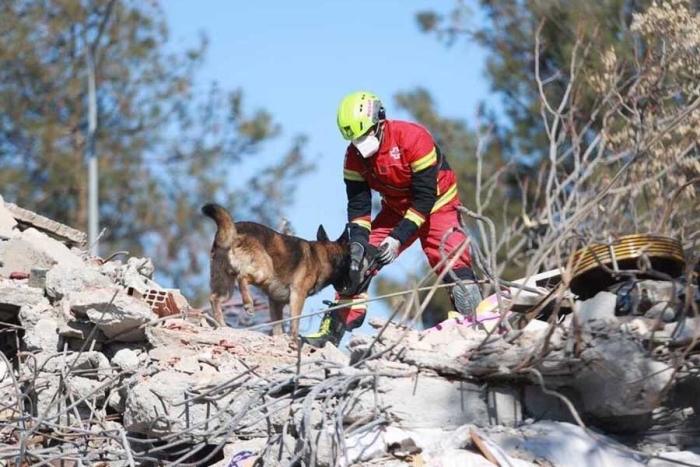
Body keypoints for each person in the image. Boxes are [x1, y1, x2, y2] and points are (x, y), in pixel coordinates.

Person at [301, 91, 482, 348]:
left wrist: (397, 239)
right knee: (355, 263)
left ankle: (477, 327)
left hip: (438, 205)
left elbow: (424, 198)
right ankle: (333, 328)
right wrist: (360, 243)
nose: (360, 144)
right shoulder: (353, 157)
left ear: (380, 122)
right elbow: (359, 204)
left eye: (365, 135)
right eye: (354, 139)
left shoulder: (413, 139)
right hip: (396, 209)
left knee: (454, 263)